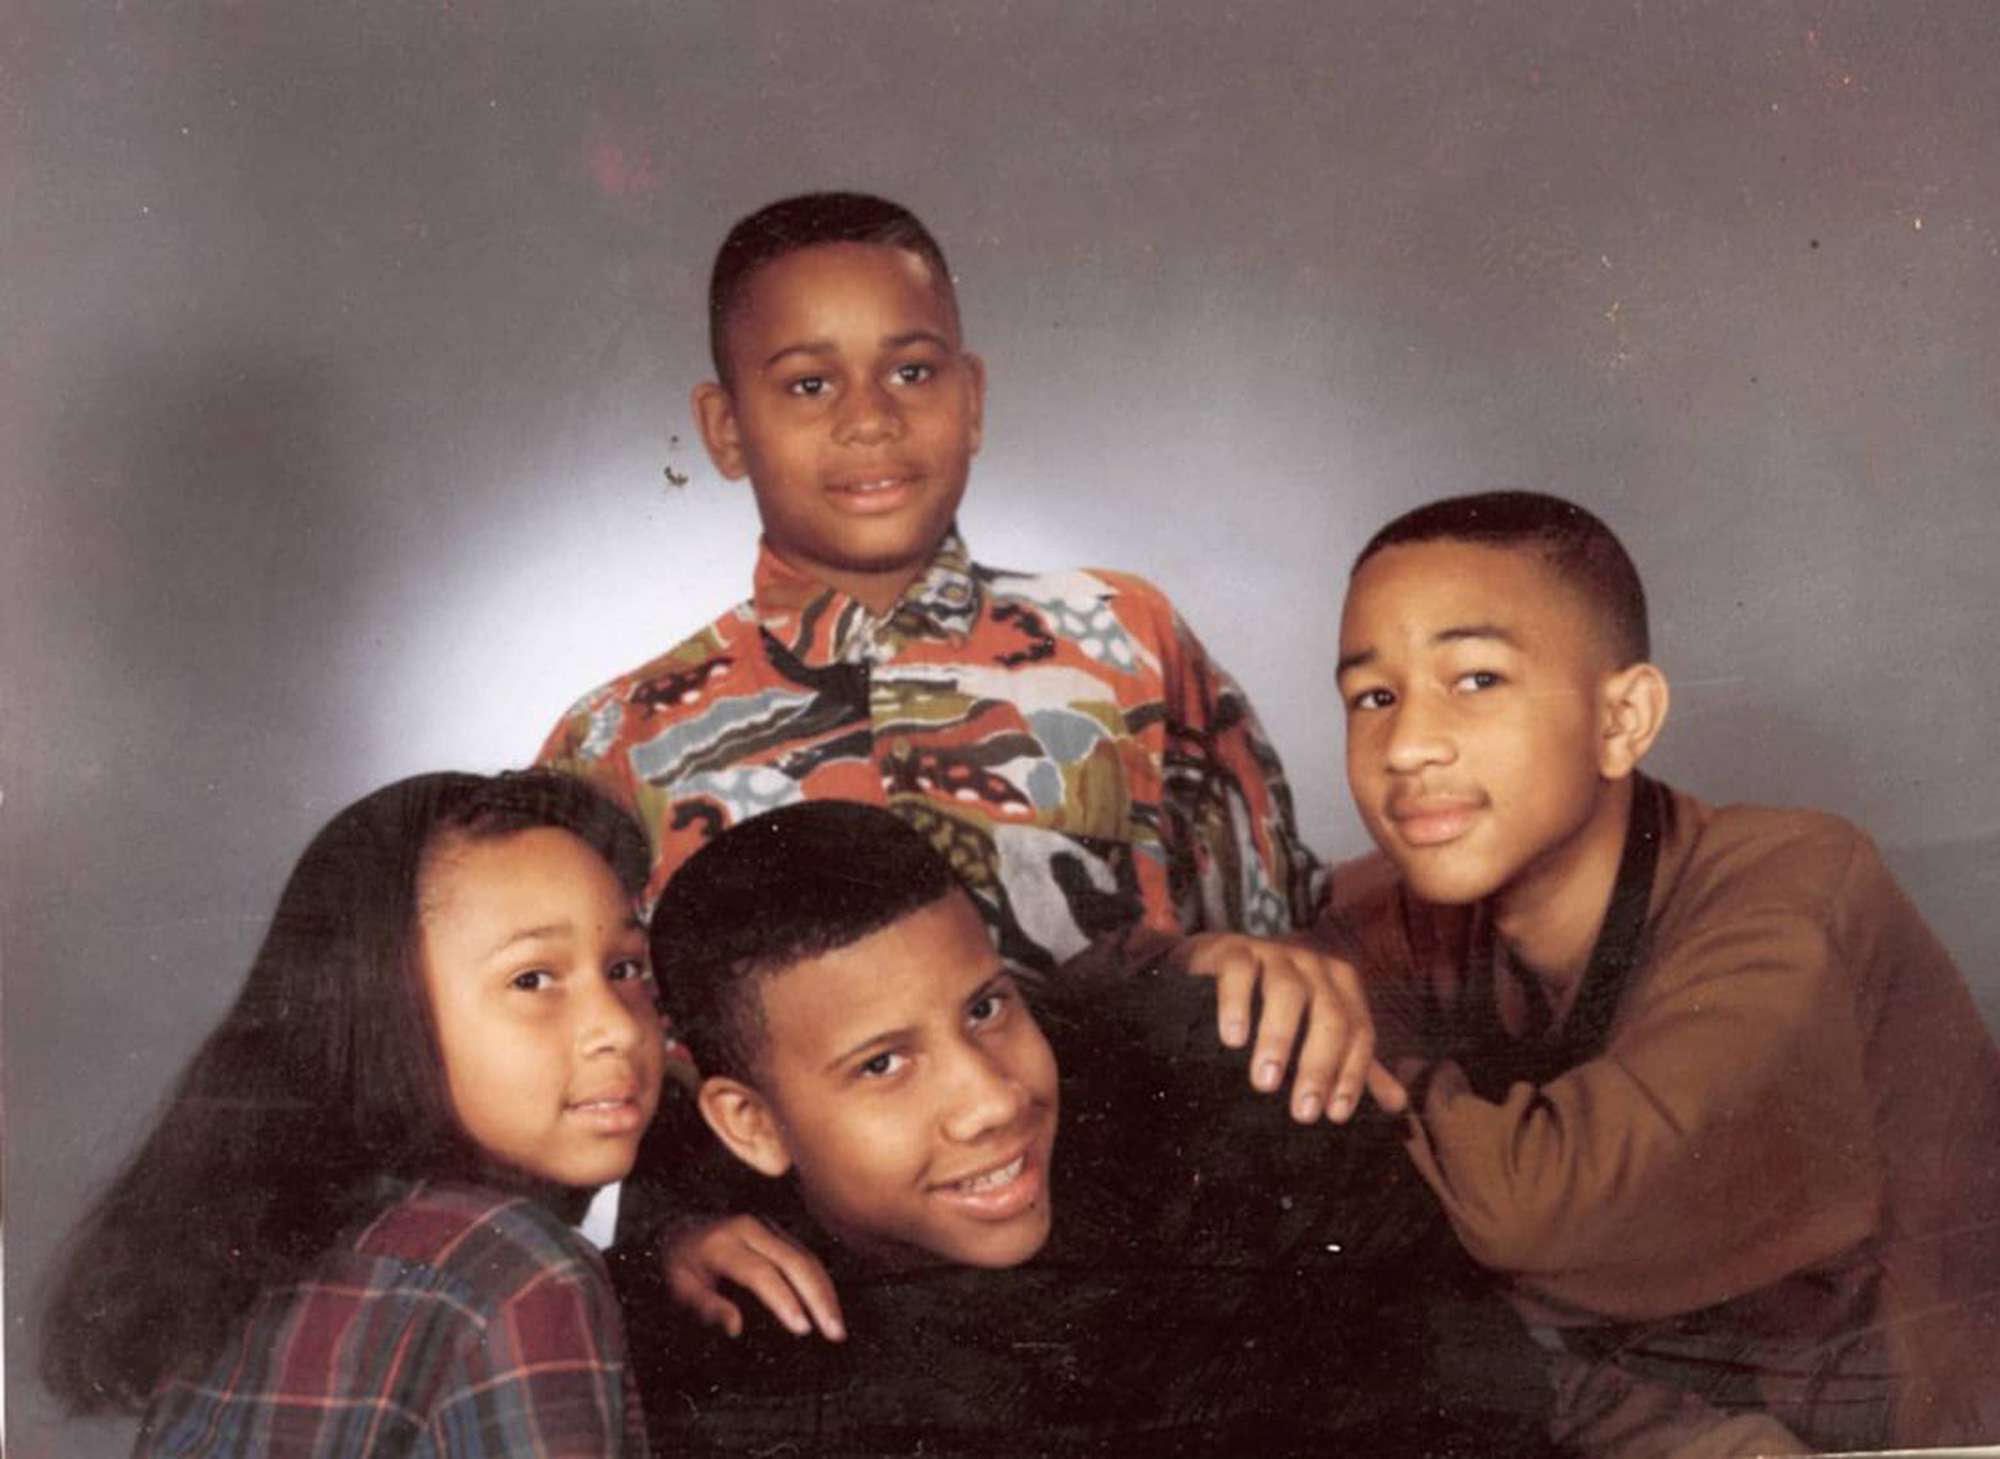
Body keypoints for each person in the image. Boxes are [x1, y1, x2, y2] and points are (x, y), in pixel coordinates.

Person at [1325, 489, 2000, 1455]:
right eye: (1372, 697)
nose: (1408, 745)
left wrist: (1337, 1079)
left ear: (1624, 718)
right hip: (1671, 1416)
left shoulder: (1797, 881)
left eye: (1474, 679)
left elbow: (1533, 1213)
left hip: (1921, 1421)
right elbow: (1231, 1028)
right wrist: (1232, 968)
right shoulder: (1383, 907)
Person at [617, 799, 1553, 1456]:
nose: (992, 1099)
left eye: (986, 1009)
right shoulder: (736, 1347)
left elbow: (1474, 1397)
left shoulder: (1225, 1084)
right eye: (883, 1064)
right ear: (750, 1124)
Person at [41, 771, 665, 1457]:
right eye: (533, 979)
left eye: (627, 968)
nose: (617, 1027)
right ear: (382, 1004)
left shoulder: (259, 1248)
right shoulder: (521, 1273)